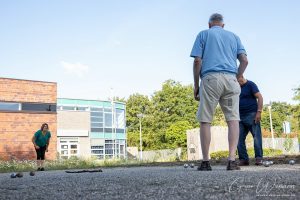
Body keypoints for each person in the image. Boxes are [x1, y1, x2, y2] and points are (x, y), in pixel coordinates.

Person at [190, 13, 248, 170]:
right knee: (233, 119)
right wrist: (237, 76)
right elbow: (244, 60)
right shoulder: (234, 36)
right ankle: (231, 160)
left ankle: (206, 162)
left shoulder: (203, 34)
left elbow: (197, 61)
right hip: (231, 80)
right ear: (223, 25)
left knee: (206, 119)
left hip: (210, 80)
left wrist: (196, 85)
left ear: (209, 24)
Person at [237, 76, 263, 166]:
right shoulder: (236, 87)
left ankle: (259, 158)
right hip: (239, 117)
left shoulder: (251, 85)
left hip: (252, 115)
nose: (236, 82)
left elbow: (260, 97)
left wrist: (259, 112)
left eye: (237, 80)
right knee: (238, 138)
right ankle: (244, 159)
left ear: (241, 77)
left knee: (256, 137)